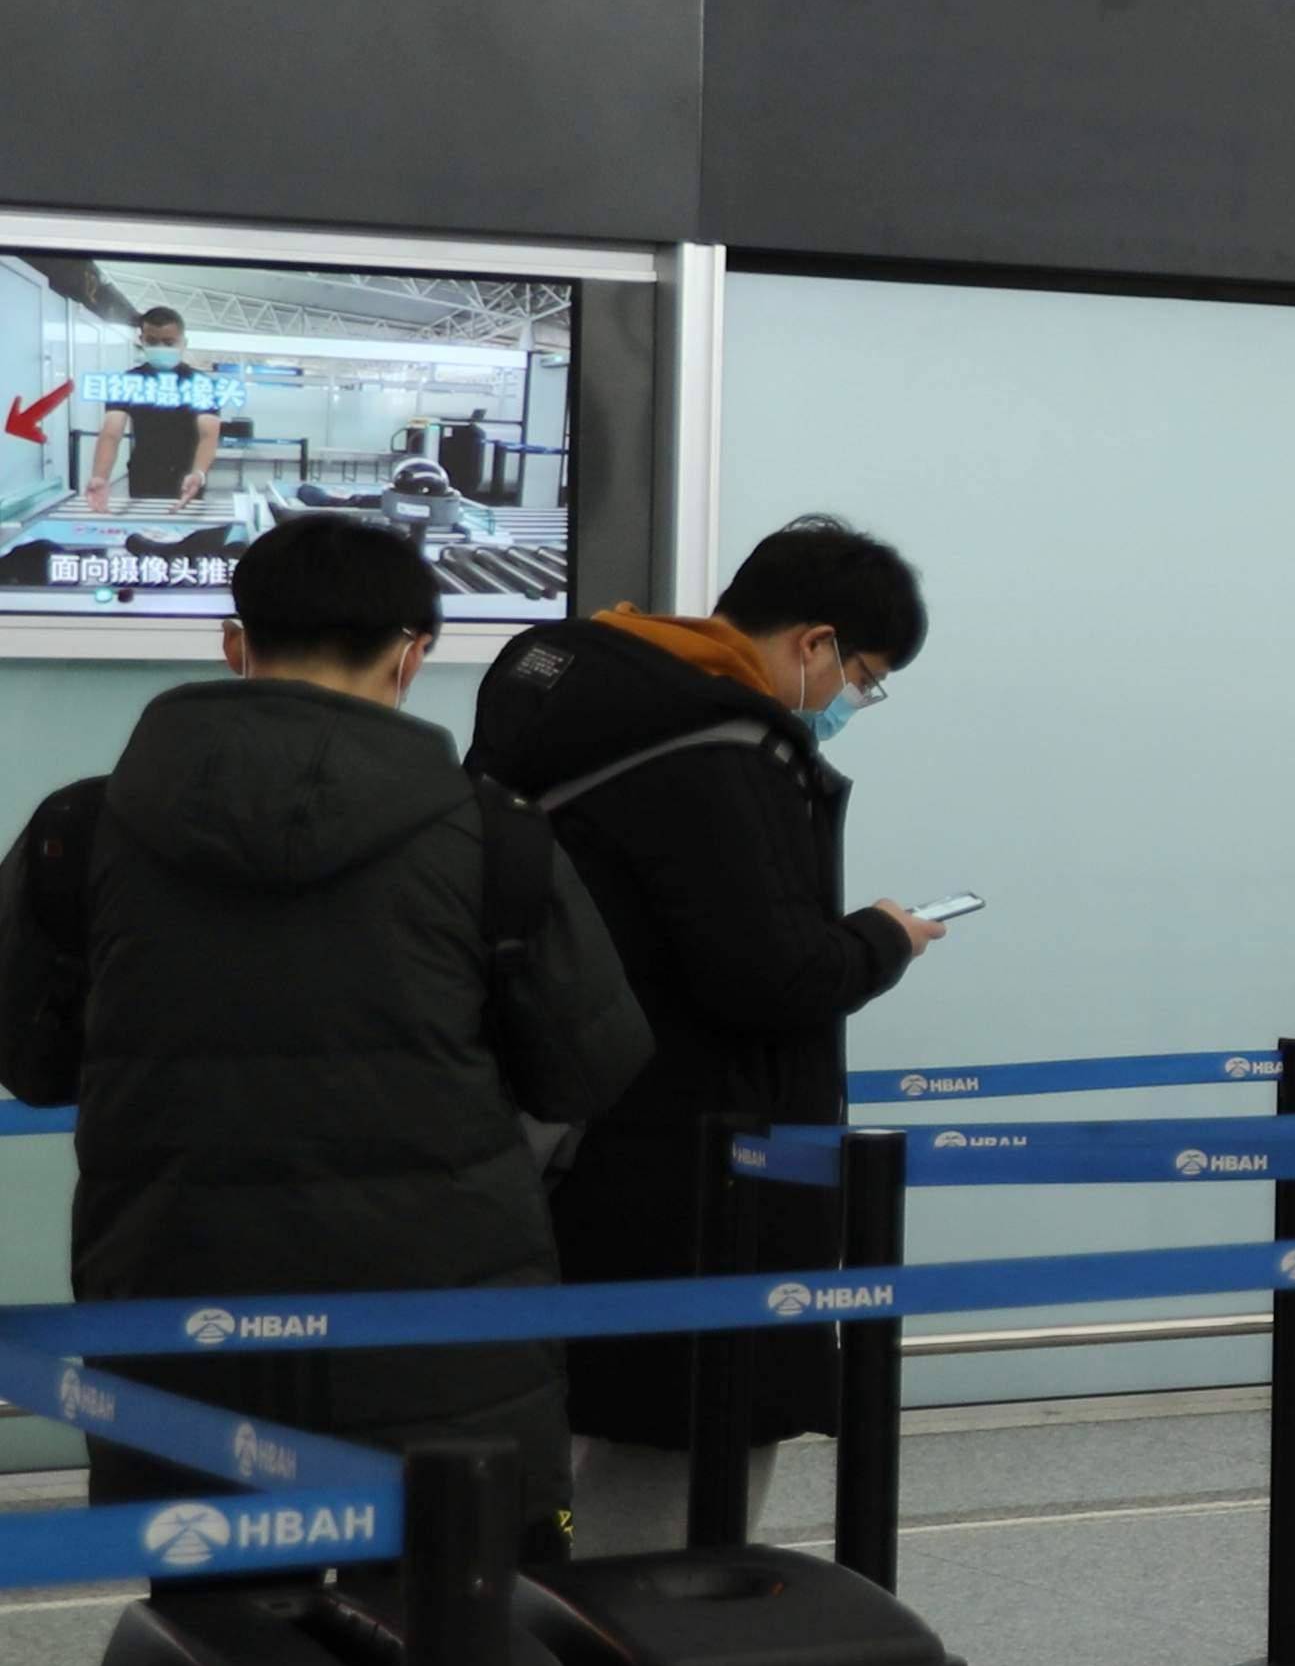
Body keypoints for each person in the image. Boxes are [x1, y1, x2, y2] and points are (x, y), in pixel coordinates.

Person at [4, 515, 645, 1525]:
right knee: (453, 1606)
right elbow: (586, 1070)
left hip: (182, 1320)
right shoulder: (496, 837)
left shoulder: (80, 828)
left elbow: (32, 1062)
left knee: (218, 1610)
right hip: (439, 1337)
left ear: (234, 643)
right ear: (411, 654)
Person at [467, 517, 941, 1554]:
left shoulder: (571, 700)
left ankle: (543, 1637)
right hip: (699, 1170)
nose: (850, 701)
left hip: (567, 1139)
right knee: (679, 1484)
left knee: (573, 1448)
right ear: (813, 642)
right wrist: (882, 938)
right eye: (862, 677)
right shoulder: (725, 752)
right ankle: (633, 1655)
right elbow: (771, 976)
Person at [81, 308, 230, 515]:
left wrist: (199, 473)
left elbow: (208, 435)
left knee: (185, 528)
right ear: (141, 341)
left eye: (169, 343)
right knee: (144, 527)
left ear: (183, 343)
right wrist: (100, 476)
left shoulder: (200, 384)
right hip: (143, 474)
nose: (160, 348)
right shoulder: (127, 382)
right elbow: (111, 433)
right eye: (152, 341)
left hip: (188, 476)